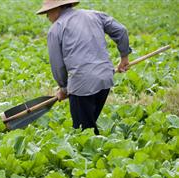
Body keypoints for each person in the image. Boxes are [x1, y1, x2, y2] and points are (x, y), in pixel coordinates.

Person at [37, 0, 131, 134]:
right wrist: (124, 58)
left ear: (56, 9)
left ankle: (99, 151)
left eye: (47, 12)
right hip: (105, 79)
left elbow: (57, 66)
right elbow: (121, 30)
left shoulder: (56, 28)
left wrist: (63, 88)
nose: (47, 17)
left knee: (83, 132)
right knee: (89, 125)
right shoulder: (95, 15)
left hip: (83, 85)